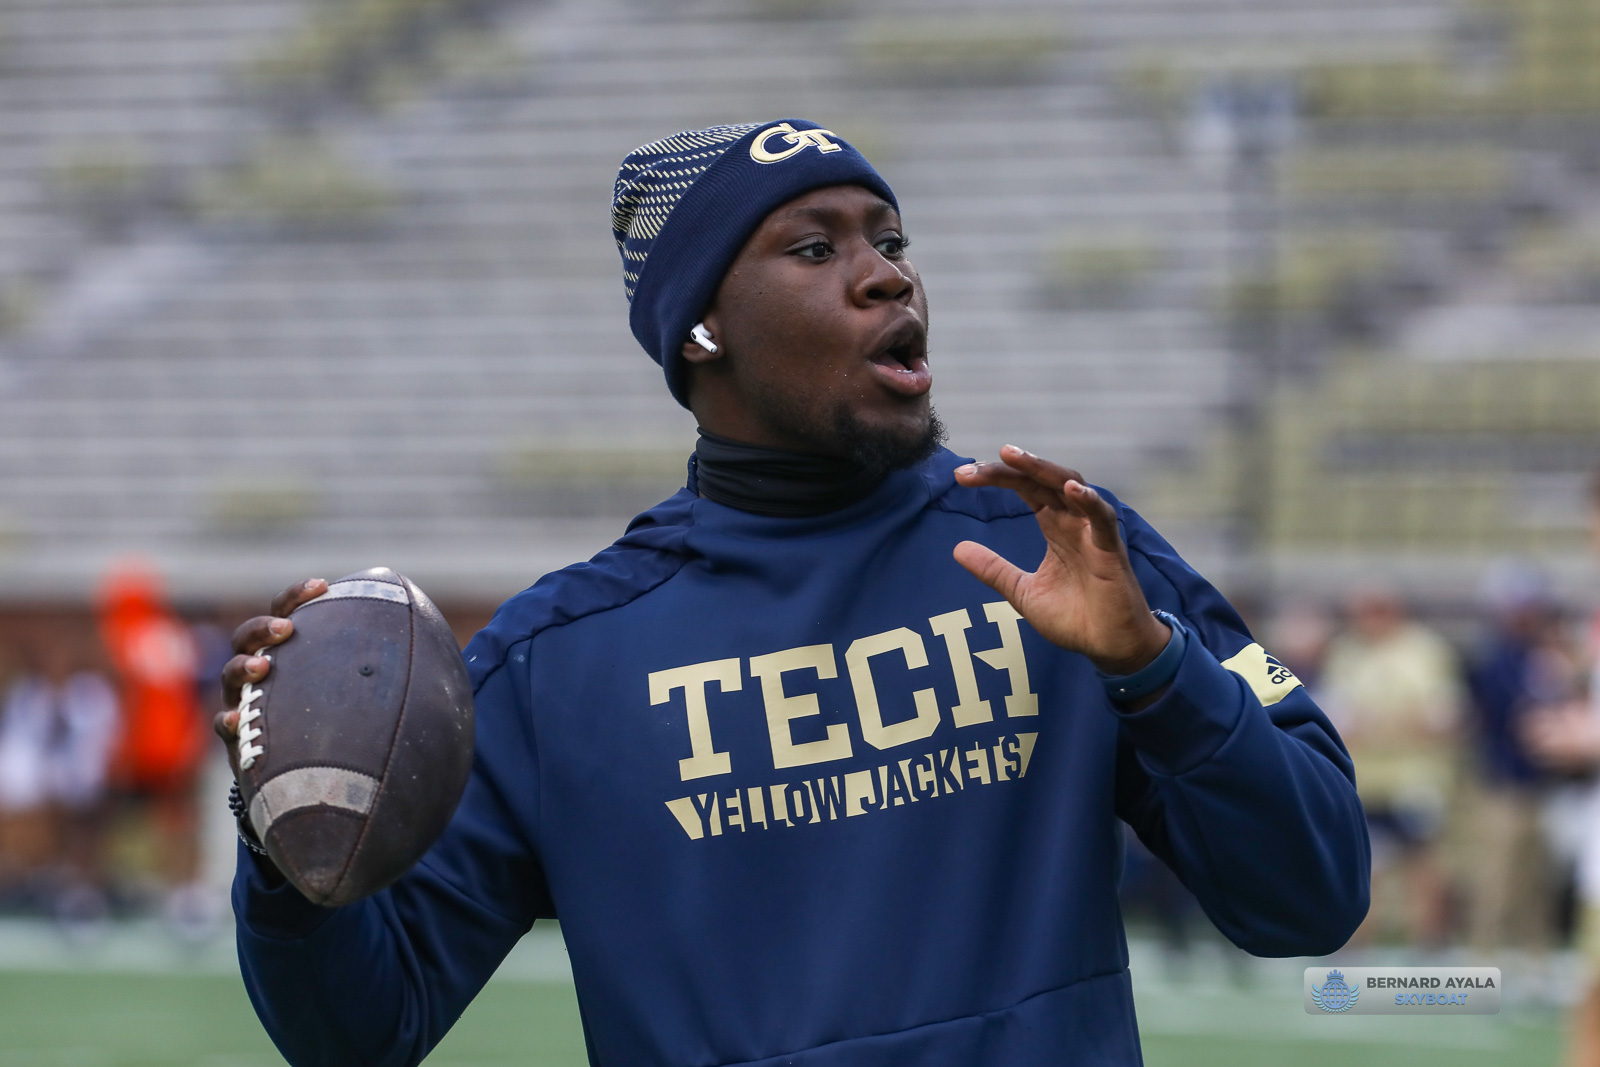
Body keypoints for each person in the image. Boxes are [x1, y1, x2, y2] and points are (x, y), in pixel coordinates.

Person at [218, 120, 1369, 1066]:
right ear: (701, 326)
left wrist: (1156, 671)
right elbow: (364, 1029)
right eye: (814, 248)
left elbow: (1310, 897)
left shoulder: (1066, 555)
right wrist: (286, 834)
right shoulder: (554, 661)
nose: (886, 273)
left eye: (890, 239)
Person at [1319, 589, 1462, 946]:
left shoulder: (1425, 650)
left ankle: (1429, 938)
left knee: (1422, 860)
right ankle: (1358, 940)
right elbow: (1336, 717)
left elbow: (1442, 716)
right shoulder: (1346, 652)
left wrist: (1385, 724)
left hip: (1416, 775)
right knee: (1364, 864)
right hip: (1364, 777)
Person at [1466, 562, 1573, 952]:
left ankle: (1535, 953)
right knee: (1497, 875)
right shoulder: (1493, 657)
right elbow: (1513, 716)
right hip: (1505, 781)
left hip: (1546, 782)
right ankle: (1483, 954)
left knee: (1538, 878)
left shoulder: (1543, 653)